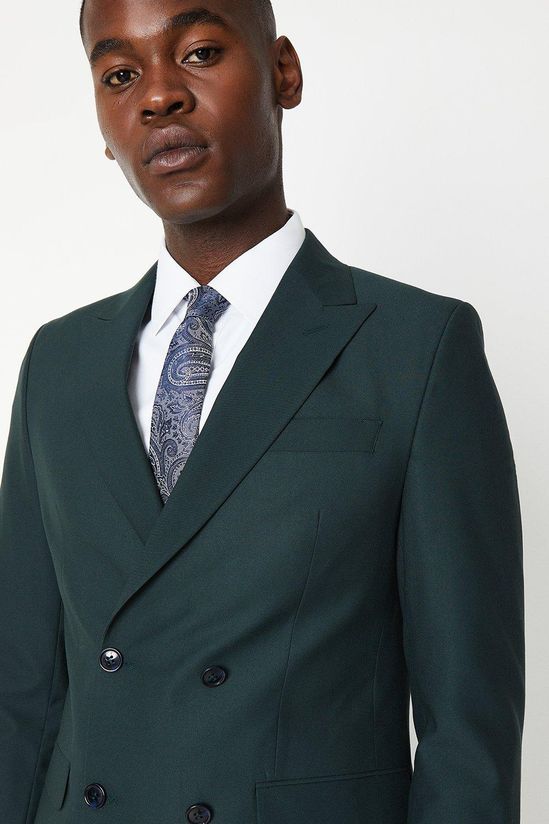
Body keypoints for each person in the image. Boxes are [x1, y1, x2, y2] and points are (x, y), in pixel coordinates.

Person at [0, 1, 525, 822]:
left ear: (283, 72)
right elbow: (20, 692)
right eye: (120, 74)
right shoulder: (59, 362)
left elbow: (468, 734)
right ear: (103, 124)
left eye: (200, 52)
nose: (159, 96)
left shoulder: (417, 348)